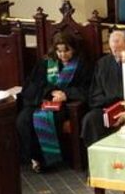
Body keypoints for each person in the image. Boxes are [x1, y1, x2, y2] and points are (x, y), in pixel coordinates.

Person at [16, 32, 92, 172]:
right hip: (40, 100)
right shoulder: (46, 62)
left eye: (66, 50)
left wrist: (66, 94)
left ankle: (46, 161)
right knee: (23, 119)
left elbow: (87, 88)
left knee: (47, 118)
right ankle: (34, 158)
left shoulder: (81, 65)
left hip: (63, 105)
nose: (63, 55)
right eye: (59, 51)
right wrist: (50, 91)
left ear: (73, 49)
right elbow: (32, 85)